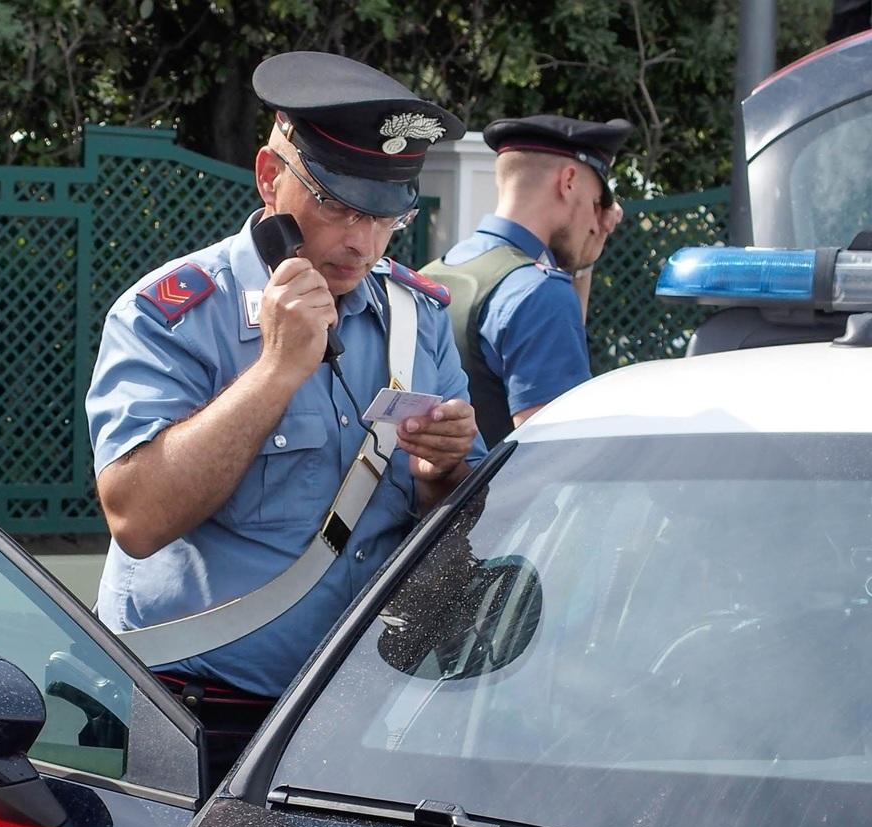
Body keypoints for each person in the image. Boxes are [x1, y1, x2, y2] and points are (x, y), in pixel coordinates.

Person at [86, 51, 484, 776]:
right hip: (197, 712)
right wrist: (274, 371)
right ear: (271, 178)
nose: (359, 242)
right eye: (335, 205)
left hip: (359, 713)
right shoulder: (175, 315)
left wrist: (440, 475)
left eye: (384, 213)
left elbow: (465, 520)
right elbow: (135, 517)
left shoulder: (416, 317)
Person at [422, 115, 631, 446]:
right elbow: (552, 452)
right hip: (497, 498)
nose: (598, 222)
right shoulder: (541, 294)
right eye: (596, 203)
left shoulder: (434, 273)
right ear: (569, 181)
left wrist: (583, 263)